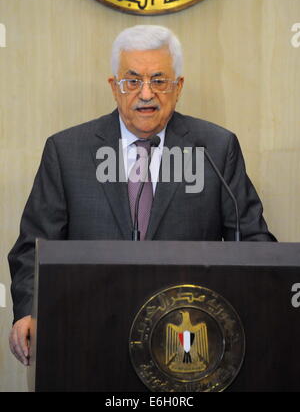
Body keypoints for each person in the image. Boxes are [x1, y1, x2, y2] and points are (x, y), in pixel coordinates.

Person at [8, 24, 276, 366]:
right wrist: (29, 310)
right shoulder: (67, 151)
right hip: (87, 331)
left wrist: (260, 308)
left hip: (188, 340)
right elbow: (33, 248)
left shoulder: (216, 148)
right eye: (132, 81)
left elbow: (252, 240)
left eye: (159, 81)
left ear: (178, 87)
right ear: (114, 87)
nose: (146, 93)